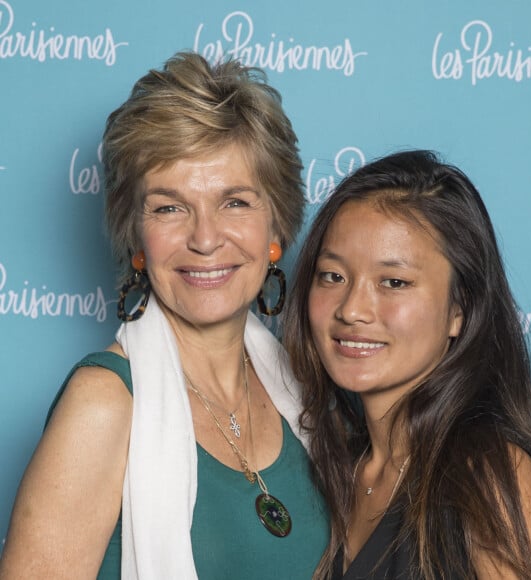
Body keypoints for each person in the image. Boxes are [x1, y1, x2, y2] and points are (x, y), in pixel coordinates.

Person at [0, 51, 328, 579]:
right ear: (136, 238)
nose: (204, 238)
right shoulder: (103, 403)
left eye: (235, 202)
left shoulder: (303, 393)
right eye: (169, 207)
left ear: (277, 230)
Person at [284, 150, 531, 579]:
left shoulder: (491, 475)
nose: (351, 309)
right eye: (333, 276)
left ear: (459, 310)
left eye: (394, 282)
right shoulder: (338, 469)